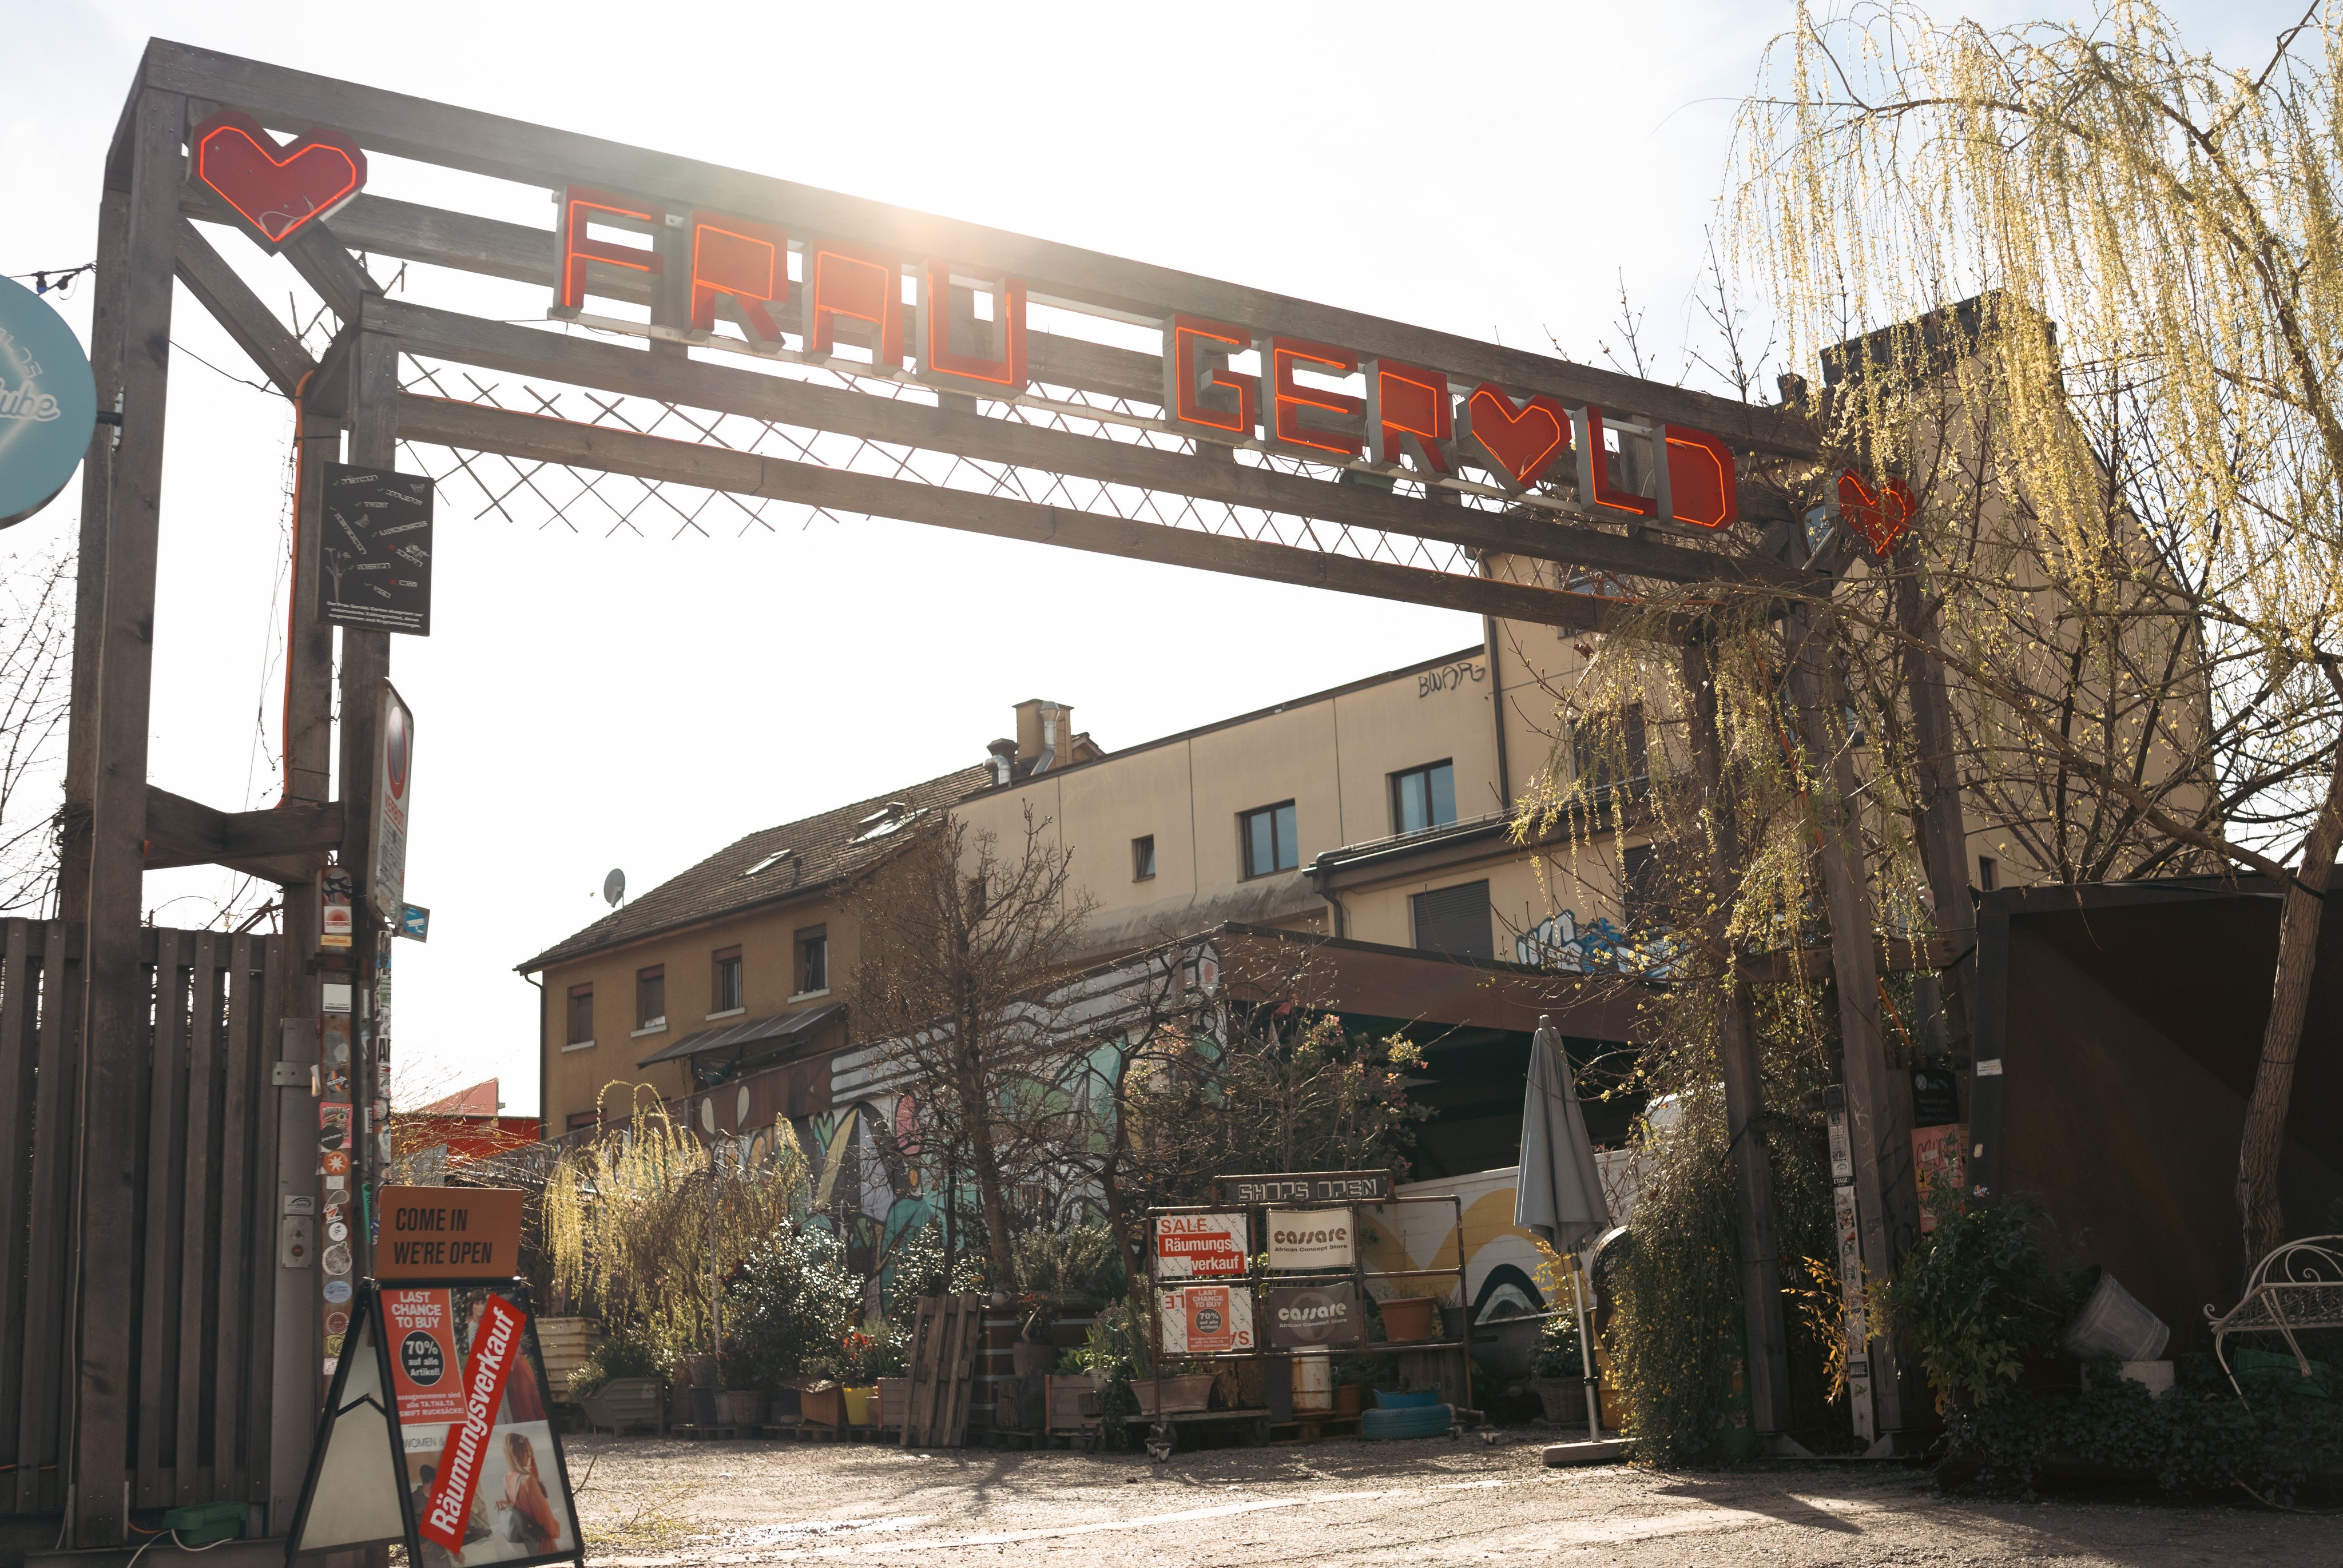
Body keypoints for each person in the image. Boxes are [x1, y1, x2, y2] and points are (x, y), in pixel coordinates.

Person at [494, 1431, 560, 1553]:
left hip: (529, 1542)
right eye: (525, 1451)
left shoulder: (508, 1478)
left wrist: (532, 1460)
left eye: (529, 1451)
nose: (529, 1455)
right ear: (516, 1453)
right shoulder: (528, 1480)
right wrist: (555, 1530)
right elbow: (544, 1516)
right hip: (543, 1542)